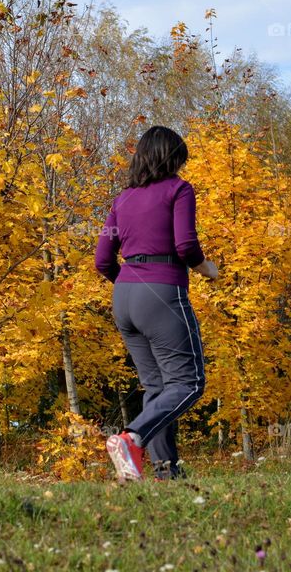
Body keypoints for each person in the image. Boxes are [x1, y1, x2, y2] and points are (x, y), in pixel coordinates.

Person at [94, 125, 218, 481]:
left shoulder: (121, 200)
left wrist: (133, 284)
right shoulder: (179, 190)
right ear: (173, 157)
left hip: (124, 298)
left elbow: (102, 260)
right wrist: (207, 269)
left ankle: (166, 472)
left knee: (159, 388)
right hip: (162, 293)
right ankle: (131, 437)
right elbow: (185, 246)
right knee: (189, 384)